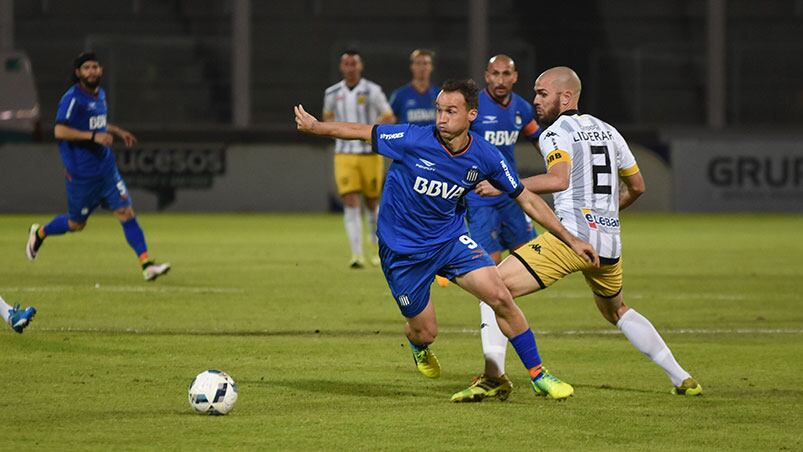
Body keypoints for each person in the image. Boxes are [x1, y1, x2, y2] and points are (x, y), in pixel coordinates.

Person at [296, 79, 600, 400]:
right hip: (403, 252)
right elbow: (362, 131)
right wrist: (316, 127)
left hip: (450, 241)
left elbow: (526, 198)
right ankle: (418, 346)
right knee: (426, 331)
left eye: (450, 111)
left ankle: (539, 374)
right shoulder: (413, 138)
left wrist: (569, 238)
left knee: (499, 294)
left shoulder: (486, 155)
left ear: (471, 115)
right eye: (439, 110)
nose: (441, 118)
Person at [452, 67, 702, 402]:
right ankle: (682, 377)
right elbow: (638, 187)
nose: (536, 100)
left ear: (566, 96)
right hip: (609, 244)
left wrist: (505, 186)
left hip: (570, 238)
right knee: (616, 310)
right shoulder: (609, 132)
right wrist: (606, 216)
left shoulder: (555, 133)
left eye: (543, 94)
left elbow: (558, 179)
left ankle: (493, 375)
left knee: (492, 287)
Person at [25, 52, 170, 282]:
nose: (91, 71)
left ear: (101, 71)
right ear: (78, 73)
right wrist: (93, 137)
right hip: (82, 176)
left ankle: (146, 264)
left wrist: (116, 131)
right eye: (86, 68)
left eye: (95, 67)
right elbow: (60, 131)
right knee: (76, 224)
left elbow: (98, 122)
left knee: (126, 212)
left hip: (106, 170)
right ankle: (40, 232)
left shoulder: (100, 95)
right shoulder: (72, 98)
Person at [462, 54, 542, 368]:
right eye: (494, 74)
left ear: (514, 76)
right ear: (486, 76)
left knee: (531, 256)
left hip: (510, 195)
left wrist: (558, 164)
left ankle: (507, 317)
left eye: (505, 74)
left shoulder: (522, 108)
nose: (499, 80)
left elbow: (539, 139)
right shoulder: (475, 108)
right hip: (480, 198)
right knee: (490, 273)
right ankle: (494, 356)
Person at [323, 49, 395, 268]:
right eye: (346, 64)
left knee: (372, 202)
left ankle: (375, 248)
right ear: (341, 67)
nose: (350, 68)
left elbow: (389, 115)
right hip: (344, 154)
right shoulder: (332, 93)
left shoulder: (372, 90)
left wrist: (372, 131)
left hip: (369, 155)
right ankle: (356, 254)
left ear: (360, 66)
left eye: (354, 64)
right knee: (350, 199)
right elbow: (327, 118)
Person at [389, 49, 439, 126]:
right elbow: (388, 119)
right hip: (409, 138)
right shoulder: (400, 94)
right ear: (412, 66)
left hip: (433, 138)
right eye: (418, 63)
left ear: (431, 67)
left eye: (425, 63)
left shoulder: (439, 94)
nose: (422, 68)